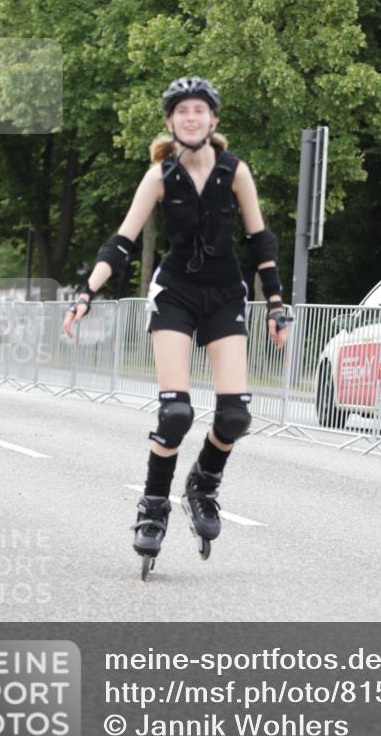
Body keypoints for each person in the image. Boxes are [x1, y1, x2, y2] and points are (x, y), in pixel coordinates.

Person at [62, 76, 290, 577]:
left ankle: (203, 484)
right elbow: (122, 242)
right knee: (176, 413)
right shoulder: (160, 176)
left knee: (234, 418)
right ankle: (153, 506)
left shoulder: (236, 172)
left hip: (226, 292)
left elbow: (260, 241)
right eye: (182, 111)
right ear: (170, 121)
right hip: (176, 295)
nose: (191, 118)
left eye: (199, 110)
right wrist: (86, 294)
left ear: (214, 120)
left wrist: (276, 304)